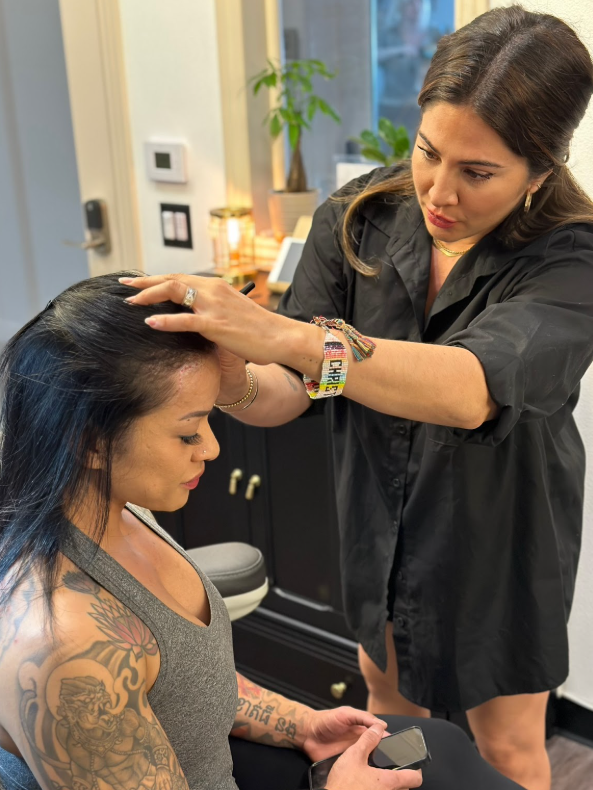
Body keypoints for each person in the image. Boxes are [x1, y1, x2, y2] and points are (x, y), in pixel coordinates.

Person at [120, 7, 593, 790]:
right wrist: (234, 375)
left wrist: (291, 338)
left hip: (502, 541)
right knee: (390, 724)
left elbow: (471, 388)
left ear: (539, 173)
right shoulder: (360, 219)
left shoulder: (571, 259)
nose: (439, 191)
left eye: (477, 173)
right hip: (381, 525)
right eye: (428, 151)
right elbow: (300, 388)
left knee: (507, 749)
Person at [0, 274, 523, 790]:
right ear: (91, 443)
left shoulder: (118, 510)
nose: (212, 449)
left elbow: (185, 682)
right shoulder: (68, 653)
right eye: (188, 432)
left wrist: (300, 722)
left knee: (443, 745)